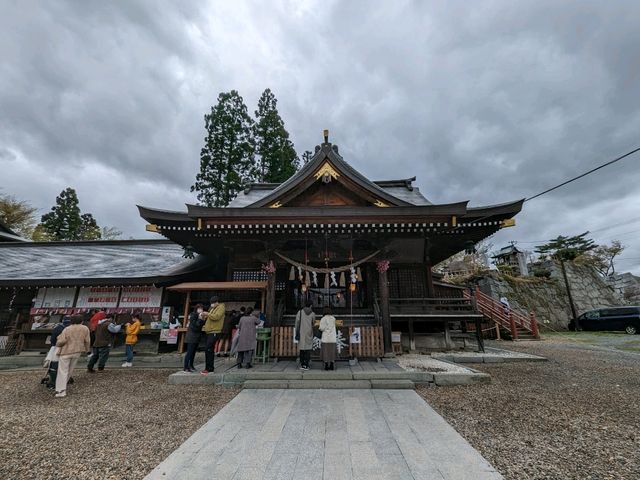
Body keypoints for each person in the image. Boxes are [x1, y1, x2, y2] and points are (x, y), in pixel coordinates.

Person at [54, 316, 90, 398]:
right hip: (77, 350)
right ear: (81, 321)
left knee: (62, 371)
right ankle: (64, 386)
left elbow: (61, 341)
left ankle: (61, 390)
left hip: (66, 351)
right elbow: (87, 340)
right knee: (70, 370)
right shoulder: (85, 328)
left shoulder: (67, 329)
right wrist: (87, 350)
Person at [200, 296, 225, 374]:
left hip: (215, 331)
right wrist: (203, 315)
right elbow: (209, 317)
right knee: (208, 350)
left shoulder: (221, 307)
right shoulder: (212, 309)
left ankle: (209, 368)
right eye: (211, 303)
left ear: (217, 302)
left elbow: (216, 317)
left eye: (213, 303)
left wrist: (207, 314)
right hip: (209, 331)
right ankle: (208, 368)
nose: (212, 304)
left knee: (209, 348)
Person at [45, 316, 71, 389]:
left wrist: (54, 345)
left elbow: (53, 340)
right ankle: (64, 380)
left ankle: (53, 381)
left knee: (54, 365)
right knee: (65, 365)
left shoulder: (57, 328)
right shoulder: (71, 328)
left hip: (57, 348)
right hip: (68, 349)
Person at [294, 301, 315, 370]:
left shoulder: (300, 312)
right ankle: (307, 364)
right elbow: (313, 323)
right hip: (309, 332)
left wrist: (297, 331)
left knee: (302, 349)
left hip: (301, 332)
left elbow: (297, 323)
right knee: (308, 349)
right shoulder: (312, 313)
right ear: (311, 306)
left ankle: (302, 364)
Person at [184, 304, 204, 372]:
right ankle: (186, 367)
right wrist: (200, 319)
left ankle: (191, 365)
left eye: (202, 308)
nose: (201, 310)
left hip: (196, 337)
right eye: (199, 308)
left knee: (193, 353)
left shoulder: (199, 316)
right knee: (189, 352)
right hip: (192, 337)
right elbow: (195, 327)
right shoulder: (193, 315)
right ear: (196, 309)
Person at [319, 306, 337, 371]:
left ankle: (326, 365)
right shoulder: (333, 318)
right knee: (332, 352)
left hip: (326, 338)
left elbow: (321, 328)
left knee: (326, 352)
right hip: (332, 338)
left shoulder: (323, 319)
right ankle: (332, 364)